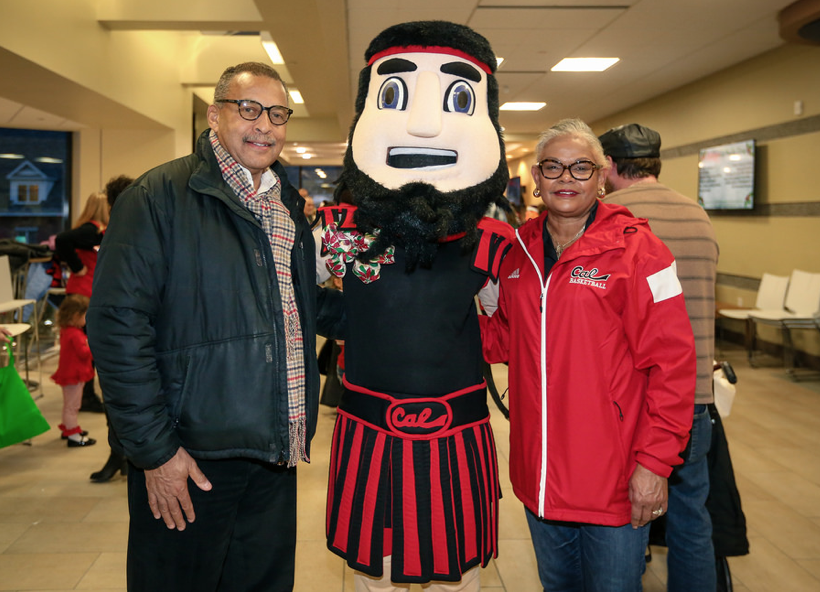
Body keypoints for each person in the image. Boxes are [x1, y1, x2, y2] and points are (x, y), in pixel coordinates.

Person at [87, 61, 344, 592]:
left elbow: (295, 306)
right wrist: (154, 450)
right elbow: (117, 327)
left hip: (275, 448)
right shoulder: (158, 198)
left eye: (278, 113)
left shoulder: (287, 208)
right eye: (249, 109)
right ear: (214, 115)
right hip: (191, 455)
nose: (265, 126)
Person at [319, 20, 513, 591]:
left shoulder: (490, 241)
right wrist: (345, 319)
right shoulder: (339, 231)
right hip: (368, 425)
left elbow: (506, 321)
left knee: (461, 575)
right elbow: (293, 301)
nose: (425, 125)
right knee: (372, 574)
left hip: (457, 427)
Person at [480, 118, 696, 592]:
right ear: (535, 179)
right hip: (539, 474)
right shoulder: (517, 253)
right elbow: (501, 344)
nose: (565, 179)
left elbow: (674, 365)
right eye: (553, 167)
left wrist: (655, 464)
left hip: (612, 479)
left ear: (602, 176)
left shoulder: (641, 252)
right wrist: (476, 300)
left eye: (581, 168)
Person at [599, 122, 720, 592]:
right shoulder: (698, 214)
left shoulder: (608, 216)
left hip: (633, 400)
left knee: (623, 513)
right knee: (691, 516)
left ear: (608, 165)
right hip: (695, 398)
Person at [88, 174, 134, 483]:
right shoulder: (115, 232)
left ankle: (124, 454)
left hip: (135, 333)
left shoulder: (138, 230)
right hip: (115, 330)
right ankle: (119, 454)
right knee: (116, 398)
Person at [54, 191, 110, 413]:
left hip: (85, 294)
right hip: (82, 296)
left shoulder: (95, 232)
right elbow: (61, 240)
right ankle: (86, 397)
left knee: (86, 347)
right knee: (84, 348)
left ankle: (85, 395)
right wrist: (77, 267)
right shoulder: (91, 230)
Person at [51, 294, 96, 447]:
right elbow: (84, 353)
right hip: (74, 375)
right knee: (73, 406)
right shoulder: (76, 334)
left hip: (69, 373)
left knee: (69, 404)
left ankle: (68, 429)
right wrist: (92, 346)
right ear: (76, 315)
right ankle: (73, 436)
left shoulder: (66, 330)